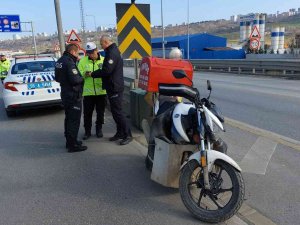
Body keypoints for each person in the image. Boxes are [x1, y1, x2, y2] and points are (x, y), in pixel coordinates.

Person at [91, 35, 132, 145]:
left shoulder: (112, 53)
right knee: (115, 112)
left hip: (115, 87)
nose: (101, 46)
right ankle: (120, 133)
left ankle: (128, 135)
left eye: (101, 44)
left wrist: (93, 74)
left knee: (118, 112)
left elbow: (107, 71)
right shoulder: (111, 51)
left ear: (105, 42)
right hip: (112, 86)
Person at [55, 43, 87, 153]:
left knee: (68, 118)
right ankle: (73, 145)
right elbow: (75, 79)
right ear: (73, 52)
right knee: (74, 120)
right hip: (73, 95)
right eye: (77, 53)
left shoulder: (60, 60)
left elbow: (57, 78)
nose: (78, 55)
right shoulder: (69, 62)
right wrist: (82, 78)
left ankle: (70, 141)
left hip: (65, 93)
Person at [78, 42, 107, 140]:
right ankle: (87, 132)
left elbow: (107, 73)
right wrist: (84, 74)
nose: (90, 55)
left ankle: (99, 130)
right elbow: (78, 74)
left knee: (100, 113)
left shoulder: (104, 60)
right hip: (88, 93)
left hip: (101, 92)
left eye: (91, 52)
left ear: (96, 50)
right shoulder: (82, 61)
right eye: (88, 53)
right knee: (87, 114)